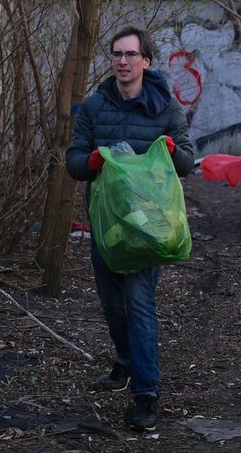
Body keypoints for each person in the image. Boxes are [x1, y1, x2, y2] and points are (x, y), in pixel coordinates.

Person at [66, 26, 194, 431]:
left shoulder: (165, 108)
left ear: (146, 61)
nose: (123, 61)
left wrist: (173, 153)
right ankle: (124, 359)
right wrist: (92, 164)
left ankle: (145, 394)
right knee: (111, 305)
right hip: (107, 227)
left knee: (139, 303)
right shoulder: (94, 107)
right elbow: (73, 161)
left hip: (148, 227)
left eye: (130, 54)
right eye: (117, 54)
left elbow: (189, 161)